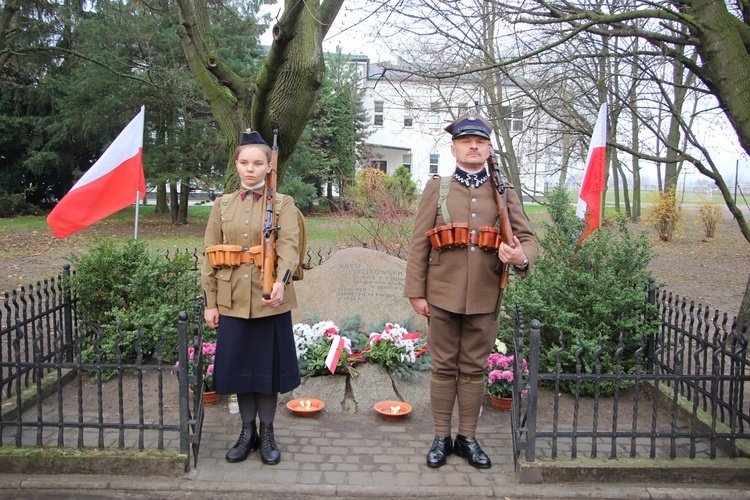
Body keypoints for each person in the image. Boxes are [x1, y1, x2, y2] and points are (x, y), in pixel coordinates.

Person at [404, 109, 539, 469]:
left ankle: (467, 438)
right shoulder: (438, 188)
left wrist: (520, 256)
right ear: (454, 149)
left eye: (479, 142)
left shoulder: (504, 192)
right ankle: (440, 438)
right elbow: (419, 243)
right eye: (466, 141)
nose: (473, 147)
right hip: (442, 293)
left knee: (474, 368)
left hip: (485, 292)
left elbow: (527, 238)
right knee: (443, 367)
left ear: (489, 149)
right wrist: (416, 292)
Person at [201, 128, 301, 465]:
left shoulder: (283, 203)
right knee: (242, 370)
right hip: (232, 300)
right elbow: (210, 254)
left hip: (269, 299)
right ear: (237, 164)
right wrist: (210, 302)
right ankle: (247, 432)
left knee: (266, 371)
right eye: (244, 162)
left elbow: (289, 247)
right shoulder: (222, 205)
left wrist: (281, 282)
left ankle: (268, 432)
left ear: (268, 167)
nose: (250, 169)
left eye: (257, 163)